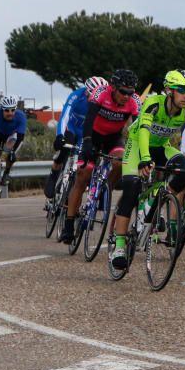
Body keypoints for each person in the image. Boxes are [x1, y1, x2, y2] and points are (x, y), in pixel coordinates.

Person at [110, 70, 185, 269]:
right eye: (181, 91)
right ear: (169, 90)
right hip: (138, 145)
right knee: (131, 187)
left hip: (162, 147)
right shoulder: (154, 103)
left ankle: (157, 198)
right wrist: (145, 159)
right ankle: (119, 246)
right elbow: (144, 131)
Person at [57, 70, 141, 243]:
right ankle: (69, 222)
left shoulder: (134, 102)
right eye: (123, 92)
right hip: (93, 135)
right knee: (82, 176)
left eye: (130, 93)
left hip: (113, 138)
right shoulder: (100, 93)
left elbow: (138, 129)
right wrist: (87, 141)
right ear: (113, 88)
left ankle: (106, 188)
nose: (127, 96)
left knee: (119, 161)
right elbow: (89, 119)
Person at [44, 76, 107, 200]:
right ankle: (54, 174)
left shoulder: (102, 102)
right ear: (87, 91)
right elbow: (65, 116)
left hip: (85, 132)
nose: (96, 98)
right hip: (71, 127)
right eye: (93, 95)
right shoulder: (77, 96)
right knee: (65, 149)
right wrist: (59, 136)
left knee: (82, 162)